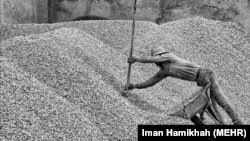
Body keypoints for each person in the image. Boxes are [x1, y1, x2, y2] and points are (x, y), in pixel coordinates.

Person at [124, 46, 244, 125]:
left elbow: (151, 59)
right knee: (213, 101)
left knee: (219, 101)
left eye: (157, 58)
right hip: (202, 79)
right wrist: (135, 86)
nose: (157, 61)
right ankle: (224, 122)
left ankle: (237, 122)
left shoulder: (168, 56)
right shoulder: (164, 71)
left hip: (205, 74)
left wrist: (137, 59)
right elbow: (151, 81)